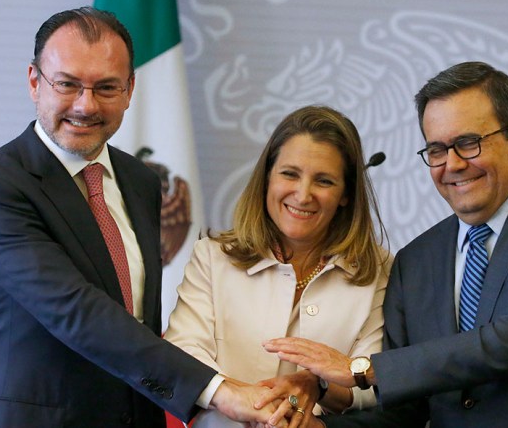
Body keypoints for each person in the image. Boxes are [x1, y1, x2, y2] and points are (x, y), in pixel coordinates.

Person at [0, 6, 285, 428]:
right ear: (35, 82)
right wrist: (217, 390)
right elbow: (75, 310)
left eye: (106, 87)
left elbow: (139, 319)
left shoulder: (140, 180)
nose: (85, 105)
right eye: (67, 84)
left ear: (130, 90)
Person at [263, 61, 508, 428]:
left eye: (468, 143)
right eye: (436, 150)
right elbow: (405, 412)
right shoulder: (415, 260)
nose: (452, 164)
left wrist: (362, 369)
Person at [164, 105, 391, 428]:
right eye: (290, 174)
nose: (303, 194)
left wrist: (320, 386)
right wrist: (250, 400)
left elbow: (375, 381)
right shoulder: (213, 257)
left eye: (324, 181)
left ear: (346, 195)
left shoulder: (379, 270)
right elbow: (182, 354)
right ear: (267, 177)